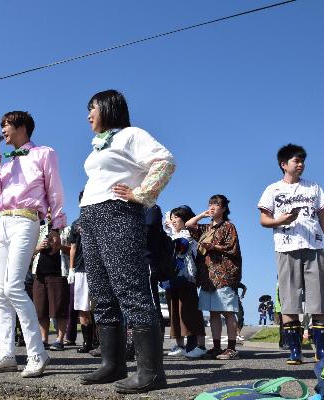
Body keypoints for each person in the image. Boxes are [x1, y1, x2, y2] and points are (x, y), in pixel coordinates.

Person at [78, 89, 175, 394]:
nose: (88, 115)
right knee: (102, 291)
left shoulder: (132, 134)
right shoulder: (98, 145)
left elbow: (165, 161)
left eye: (92, 108)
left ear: (107, 107)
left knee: (130, 289)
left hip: (118, 213)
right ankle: (113, 364)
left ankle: (151, 372)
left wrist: (142, 195)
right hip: (91, 216)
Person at [0, 111, 66, 378]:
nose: (2, 130)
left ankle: (37, 352)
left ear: (22, 127)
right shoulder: (4, 163)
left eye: (6, 125)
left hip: (27, 220)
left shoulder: (43, 153)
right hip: (3, 222)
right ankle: (7, 353)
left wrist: (57, 226)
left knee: (15, 286)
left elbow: (55, 190)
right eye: (2, 126)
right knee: (2, 291)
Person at [258, 143, 324, 365]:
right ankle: (295, 351)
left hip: (314, 248)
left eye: (303, 160)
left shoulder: (313, 187)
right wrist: (279, 220)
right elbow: (263, 220)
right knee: (290, 301)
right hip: (286, 248)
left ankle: (320, 350)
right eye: (296, 160)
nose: (301, 164)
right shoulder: (272, 189)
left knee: (319, 301)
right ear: (284, 165)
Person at [186, 195, 242, 361]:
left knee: (228, 311)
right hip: (207, 277)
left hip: (224, 275)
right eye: (210, 204)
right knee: (213, 313)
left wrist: (214, 246)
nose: (212, 207)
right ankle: (217, 347)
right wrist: (203, 215)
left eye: (216, 205)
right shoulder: (206, 228)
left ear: (224, 208)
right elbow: (189, 225)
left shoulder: (228, 226)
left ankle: (231, 348)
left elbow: (233, 249)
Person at [164, 206, 206, 359]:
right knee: (174, 311)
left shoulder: (189, 234)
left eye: (176, 217)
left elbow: (181, 248)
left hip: (187, 277)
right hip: (171, 278)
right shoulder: (171, 234)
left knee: (189, 310)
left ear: (185, 219)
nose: (173, 220)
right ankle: (180, 344)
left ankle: (195, 344)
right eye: (172, 217)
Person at [32, 220, 70, 351]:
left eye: (51, 210)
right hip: (39, 275)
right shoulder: (39, 229)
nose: (49, 214)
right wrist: (38, 248)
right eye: (47, 211)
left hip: (58, 273)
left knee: (59, 309)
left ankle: (60, 340)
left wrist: (60, 246)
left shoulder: (65, 229)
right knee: (40, 309)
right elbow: (30, 250)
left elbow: (73, 249)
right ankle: (44, 339)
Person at [68, 191, 94, 353]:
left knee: (98, 306)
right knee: (82, 307)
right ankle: (87, 343)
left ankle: (101, 342)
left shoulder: (101, 220)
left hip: (98, 268)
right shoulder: (76, 224)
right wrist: (71, 268)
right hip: (81, 269)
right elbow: (73, 247)